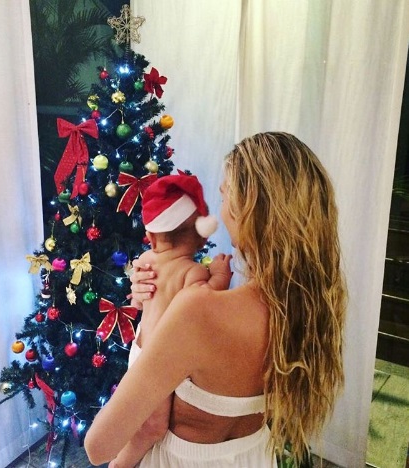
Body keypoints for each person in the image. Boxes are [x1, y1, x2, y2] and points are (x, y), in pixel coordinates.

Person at [84, 132, 347, 467]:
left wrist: (154, 312)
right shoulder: (309, 307)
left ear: (248, 210)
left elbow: (98, 446)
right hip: (255, 457)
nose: (220, 213)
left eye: (224, 196)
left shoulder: (199, 309)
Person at [109, 173, 233, 468]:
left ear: (151, 236)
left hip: (140, 349)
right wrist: (220, 276)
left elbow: (139, 300)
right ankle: (121, 463)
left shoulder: (145, 260)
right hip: (162, 359)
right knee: (154, 424)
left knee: (138, 409)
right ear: (202, 236)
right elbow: (205, 302)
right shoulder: (193, 273)